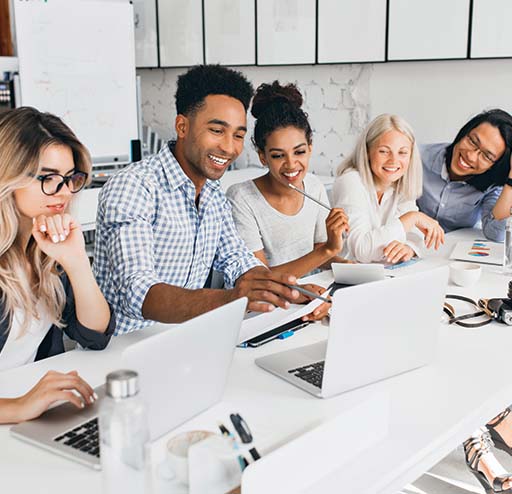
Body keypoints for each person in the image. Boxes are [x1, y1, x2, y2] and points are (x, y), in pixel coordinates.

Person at [94, 65, 307, 335]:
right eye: (217, 131)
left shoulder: (213, 195)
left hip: (184, 342)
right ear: (182, 126)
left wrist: (286, 291)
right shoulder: (134, 186)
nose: (230, 148)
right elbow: (136, 291)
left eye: (238, 135)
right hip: (121, 352)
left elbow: (237, 260)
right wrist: (232, 299)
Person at [0, 107, 114, 424]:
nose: (63, 192)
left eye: (68, 179)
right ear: (8, 176)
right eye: (48, 178)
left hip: (31, 416)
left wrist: (76, 262)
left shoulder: (44, 248)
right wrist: (20, 406)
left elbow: (95, 335)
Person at [226, 81, 349, 279]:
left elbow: (319, 254)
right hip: (268, 302)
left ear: (310, 148)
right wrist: (327, 249)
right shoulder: (241, 198)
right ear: (262, 156)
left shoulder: (314, 186)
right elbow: (259, 278)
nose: (291, 164)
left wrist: (352, 267)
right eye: (277, 155)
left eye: (299, 152)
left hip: (312, 295)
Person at [332, 114, 444, 264]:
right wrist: (412, 218)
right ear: (367, 152)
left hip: (382, 272)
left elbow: (414, 235)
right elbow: (362, 250)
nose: (393, 161)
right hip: (346, 275)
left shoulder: (399, 182)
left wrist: (408, 248)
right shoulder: (350, 181)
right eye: (384, 151)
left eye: (402, 152)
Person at [418, 109, 512, 242]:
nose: (471, 156)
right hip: (407, 246)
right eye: (473, 141)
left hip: (453, 254)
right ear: (464, 133)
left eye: (486, 156)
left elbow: (496, 234)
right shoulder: (418, 157)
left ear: (495, 165)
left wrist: (511, 182)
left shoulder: (492, 186)